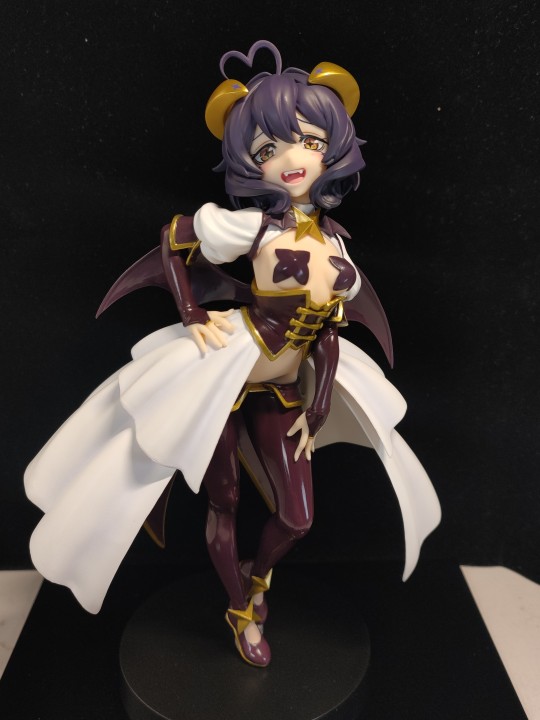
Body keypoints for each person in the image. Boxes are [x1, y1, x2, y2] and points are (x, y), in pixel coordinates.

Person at [25, 41, 441, 667]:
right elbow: (174, 240)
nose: (291, 159)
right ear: (250, 162)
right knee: (224, 500)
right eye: (268, 150)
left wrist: (319, 405)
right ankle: (240, 610)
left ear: (332, 146)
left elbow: (329, 332)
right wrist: (192, 313)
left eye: (308, 141)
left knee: (297, 518)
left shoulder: (336, 243)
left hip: (283, 390)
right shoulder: (252, 228)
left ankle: (257, 576)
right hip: (220, 378)